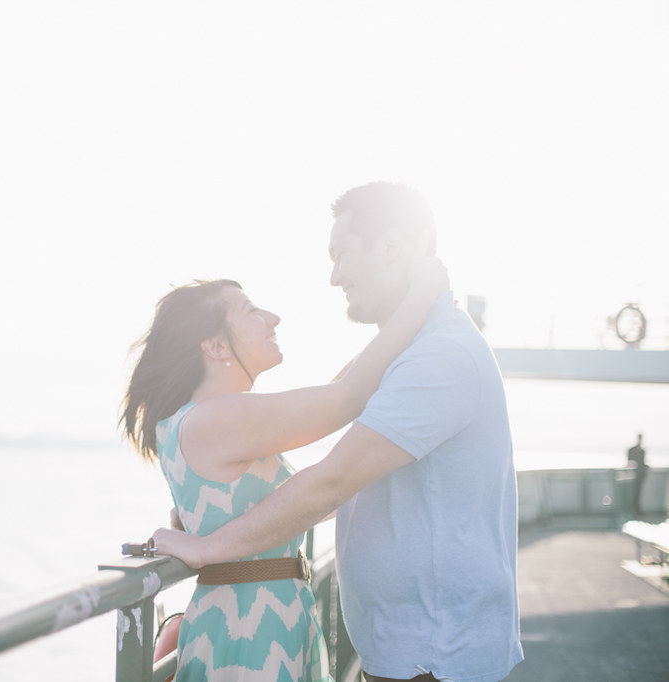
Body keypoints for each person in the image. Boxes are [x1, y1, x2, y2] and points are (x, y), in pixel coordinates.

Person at [152, 181, 524, 682]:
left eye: (341, 254)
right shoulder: (414, 354)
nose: (334, 276)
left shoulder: (440, 356)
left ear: (391, 247)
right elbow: (343, 398)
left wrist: (210, 544)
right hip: (407, 650)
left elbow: (333, 473)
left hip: (435, 656)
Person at [120, 256, 448, 681]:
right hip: (248, 630)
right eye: (251, 310)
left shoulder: (204, 420)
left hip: (264, 617)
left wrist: (406, 321)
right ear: (216, 346)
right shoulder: (209, 420)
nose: (272, 318)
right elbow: (346, 398)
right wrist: (421, 299)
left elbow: (340, 394)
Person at [627, 433, 647, 517]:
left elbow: (642, 463)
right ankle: (633, 510)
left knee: (638, 493)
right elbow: (630, 461)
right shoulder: (632, 450)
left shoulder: (642, 451)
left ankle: (637, 510)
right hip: (632, 475)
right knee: (632, 493)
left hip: (640, 475)